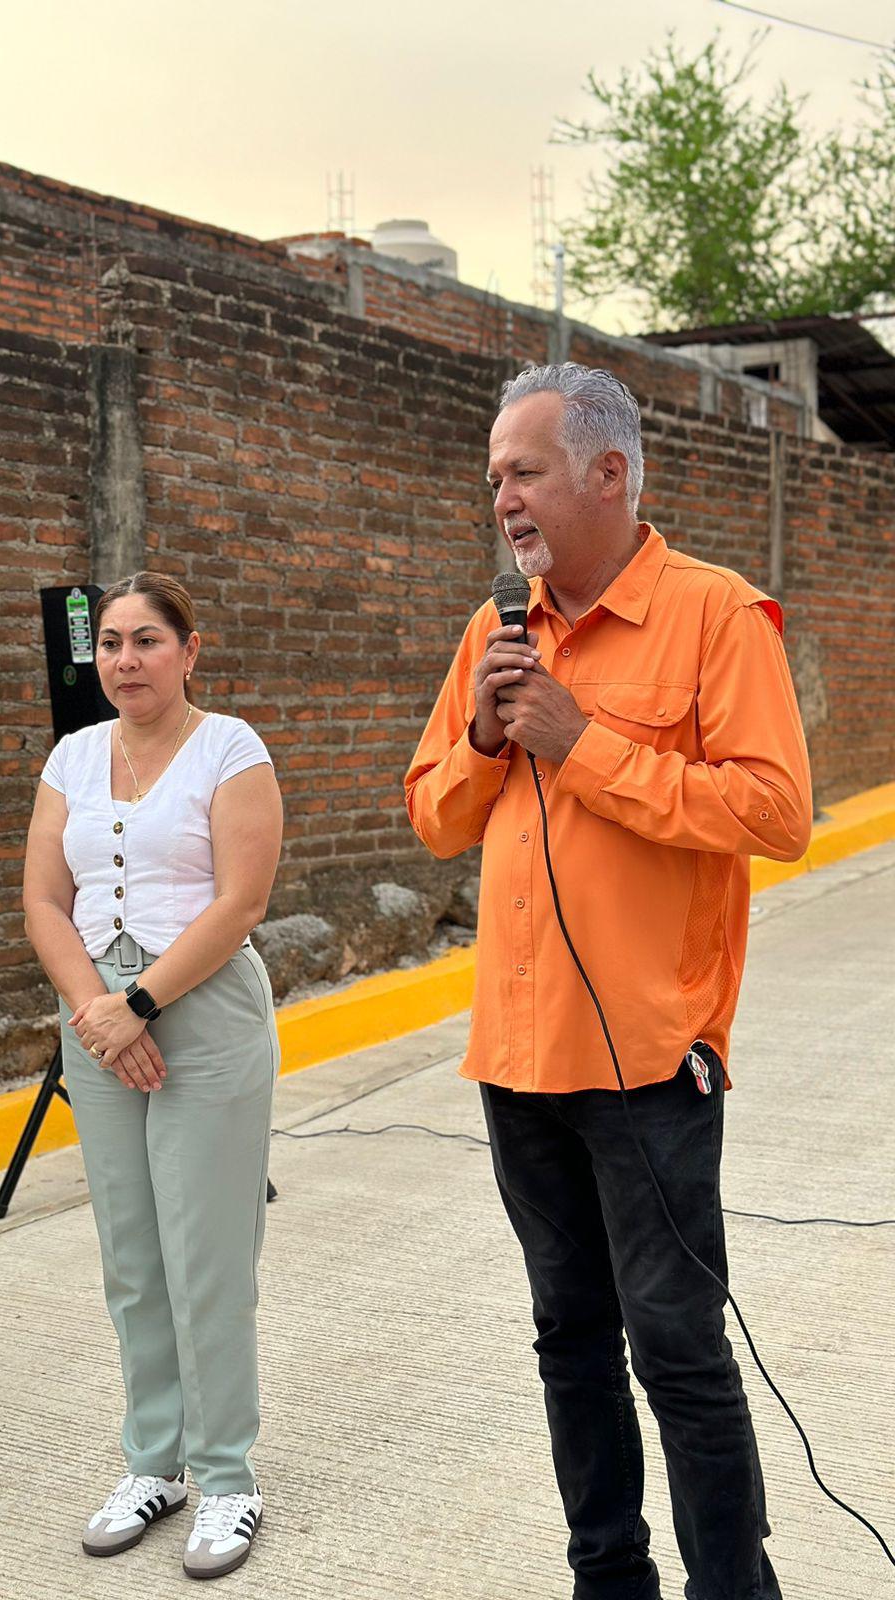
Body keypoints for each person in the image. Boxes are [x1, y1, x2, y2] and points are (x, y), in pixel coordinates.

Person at [406, 363, 813, 1600]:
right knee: (567, 1344)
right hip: (517, 1061)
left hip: (650, 1065)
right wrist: (486, 735)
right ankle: (609, 1577)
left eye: (524, 471)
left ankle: (731, 1588)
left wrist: (586, 745)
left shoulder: (715, 616)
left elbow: (777, 811)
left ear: (610, 472)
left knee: (678, 1350)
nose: (503, 500)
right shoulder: (498, 630)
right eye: (494, 479)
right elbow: (432, 816)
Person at [23, 570, 282, 1581]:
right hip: (95, 1015)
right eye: (112, 644)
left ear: (189, 649)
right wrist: (97, 1007)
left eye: (146, 641)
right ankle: (155, 1460)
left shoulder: (231, 748)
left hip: (204, 1008)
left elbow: (242, 898)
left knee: (205, 1252)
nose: (124, 659)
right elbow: (45, 896)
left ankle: (227, 1475)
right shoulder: (74, 755)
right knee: (133, 1254)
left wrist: (139, 1004)